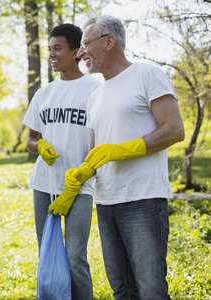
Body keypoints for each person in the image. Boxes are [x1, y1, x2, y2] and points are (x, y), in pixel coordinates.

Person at [53, 15, 184, 299]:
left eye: (86, 43)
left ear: (109, 42)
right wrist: (80, 175)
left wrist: (124, 149)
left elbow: (174, 129)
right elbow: (95, 151)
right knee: (122, 290)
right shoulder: (95, 96)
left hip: (143, 199)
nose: (81, 52)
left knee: (151, 289)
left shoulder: (146, 75)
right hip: (106, 201)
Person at [22, 23, 100, 299]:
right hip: (44, 184)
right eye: (49, 49)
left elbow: (99, 143)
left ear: (77, 51)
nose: (52, 54)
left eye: (58, 49)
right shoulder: (44, 94)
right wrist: (39, 145)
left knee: (75, 256)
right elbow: (30, 140)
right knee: (48, 252)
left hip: (80, 186)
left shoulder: (95, 90)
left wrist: (79, 180)